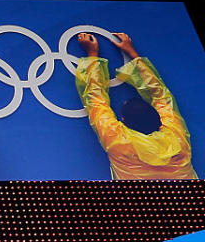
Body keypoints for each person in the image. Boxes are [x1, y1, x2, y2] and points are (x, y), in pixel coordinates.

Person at [75, 32, 197, 180]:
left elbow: (95, 100)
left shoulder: (118, 140)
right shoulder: (176, 135)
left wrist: (92, 55)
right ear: (158, 117)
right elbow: (160, 95)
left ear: (123, 121)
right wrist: (133, 53)